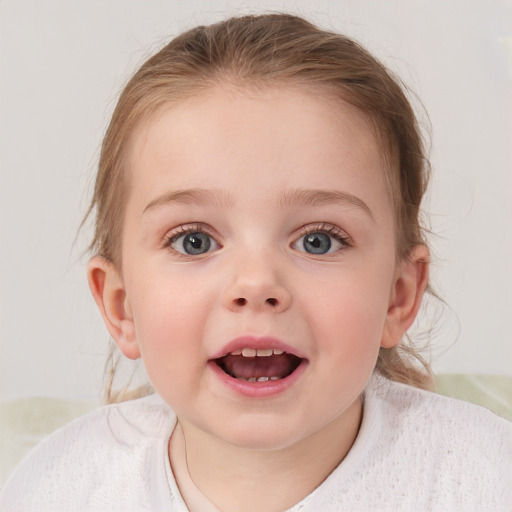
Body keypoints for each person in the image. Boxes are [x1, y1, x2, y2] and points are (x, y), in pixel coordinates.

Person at [1, 13, 511, 512]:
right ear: (121, 305)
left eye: (318, 241)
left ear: (398, 296)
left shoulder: (481, 479)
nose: (256, 284)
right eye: (194, 241)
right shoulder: (63, 489)